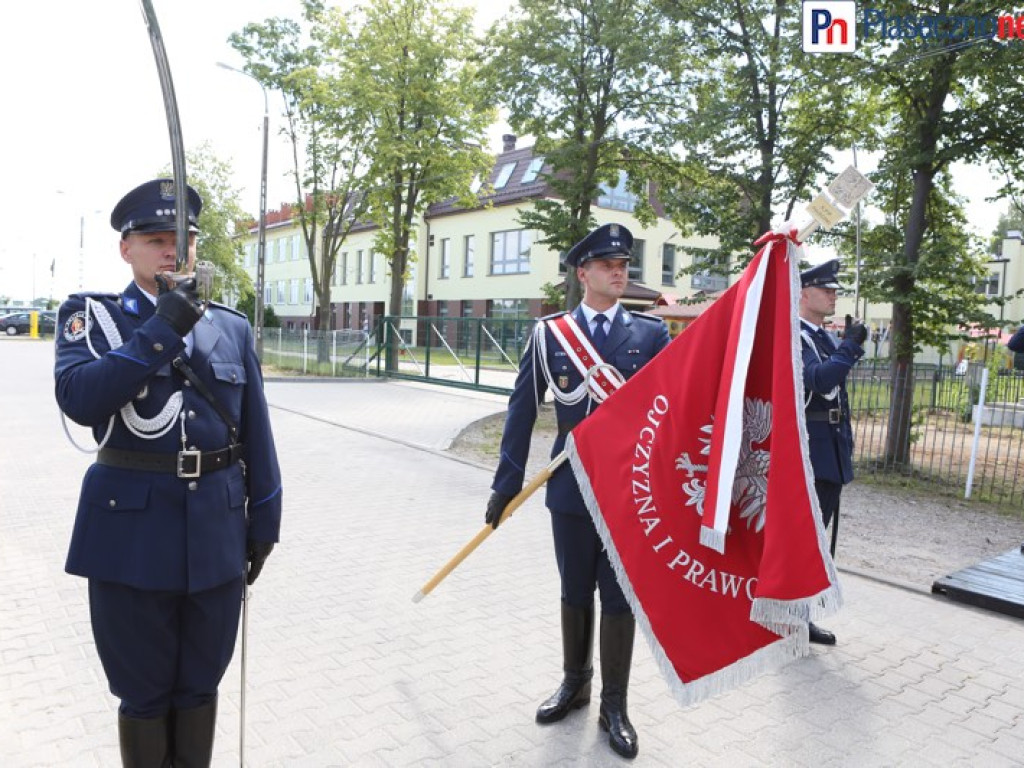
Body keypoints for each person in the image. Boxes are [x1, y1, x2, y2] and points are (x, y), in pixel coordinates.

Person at [54, 179, 282, 767]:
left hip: (216, 534)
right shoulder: (93, 317)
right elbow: (80, 399)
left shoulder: (230, 326)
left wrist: (265, 522)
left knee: (200, 687)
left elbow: (256, 432)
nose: (172, 251)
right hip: (129, 540)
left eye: (183, 240)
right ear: (125, 248)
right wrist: (163, 326)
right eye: (156, 239)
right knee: (144, 692)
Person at [484, 223, 670, 760]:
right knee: (573, 590)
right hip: (569, 486)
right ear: (583, 273)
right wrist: (505, 485)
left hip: (627, 491)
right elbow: (522, 410)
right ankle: (575, 684)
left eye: (624, 264)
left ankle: (615, 705)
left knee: (619, 595)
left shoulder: (651, 335)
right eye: (608, 265)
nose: (619, 272)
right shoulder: (550, 335)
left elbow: (669, 413)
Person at [798, 258, 866, 646]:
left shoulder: (822, 338)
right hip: (810, 453)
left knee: (815, 538)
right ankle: (793, 620)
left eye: (834, 290)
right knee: (805, 540)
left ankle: (796, 616)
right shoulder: (797, 337)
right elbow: (819, 381)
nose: (832, 295)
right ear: (803, 294)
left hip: (830, 450)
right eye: (825, 289)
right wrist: (851, 347)